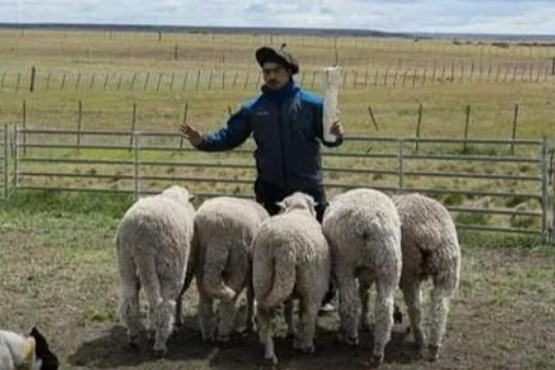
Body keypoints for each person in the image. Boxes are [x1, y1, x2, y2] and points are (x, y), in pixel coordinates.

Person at [179, 44, 343, 310]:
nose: (270, 76)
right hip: (271, 189)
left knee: (319, 245)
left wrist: (336, 133)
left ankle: (322, 296)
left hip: (307, 190)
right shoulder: (254, 109)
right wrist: (203, 141)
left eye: (276, 70)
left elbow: (330, 139)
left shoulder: (313, 105)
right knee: (267, 245)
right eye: (266, 71)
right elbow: (229, 136)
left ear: (290, 72)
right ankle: (269, 295)